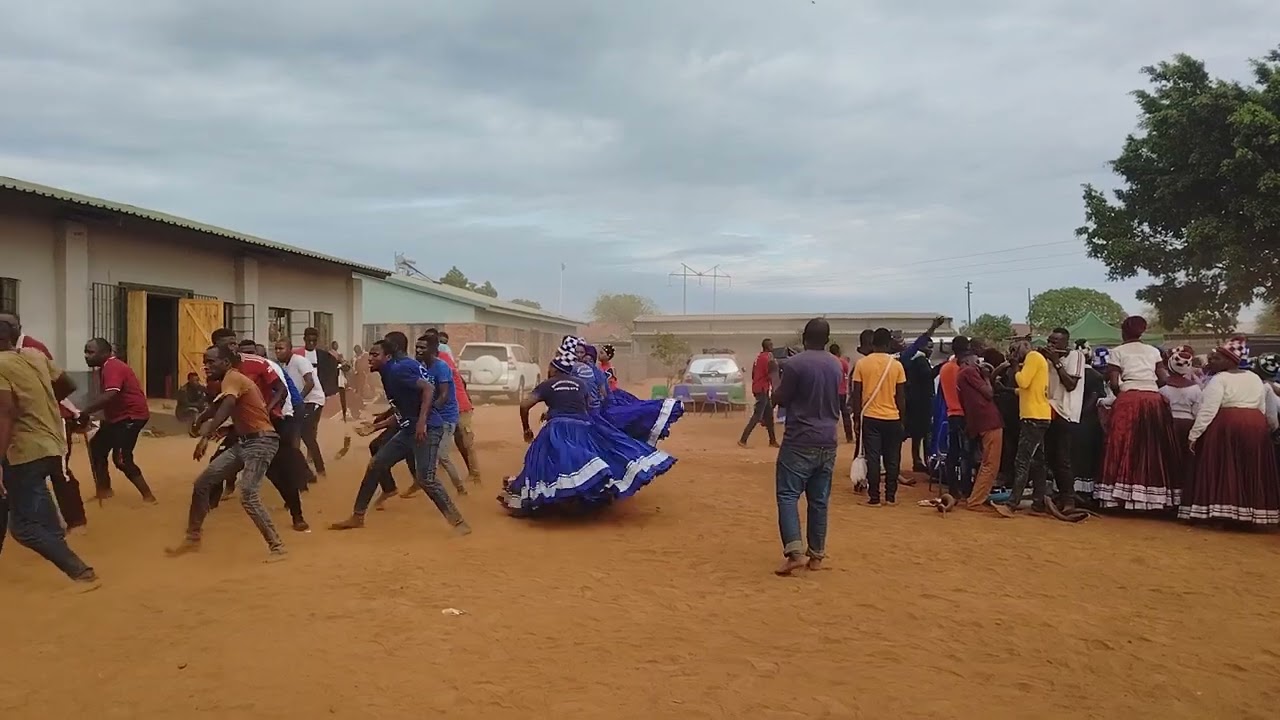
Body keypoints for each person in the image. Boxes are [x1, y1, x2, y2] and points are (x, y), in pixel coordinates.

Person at [500, 349, 676, 515]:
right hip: (583, 427)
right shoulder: (581, 384)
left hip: (557, 428)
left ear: (555, 370)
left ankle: (539, 496)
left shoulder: (546, 385)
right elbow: (590, 403)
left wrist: (527, 428)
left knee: (539, 460)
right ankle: (588, 494)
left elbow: (524, 405)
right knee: (590, 457)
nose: (548, 370)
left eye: (550, 367)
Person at [328, 338, 470, 534]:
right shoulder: (393, 372)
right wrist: (376, 426)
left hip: (428, 429)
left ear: (387, 356)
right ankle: (358, 516)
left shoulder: (397, 371)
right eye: (370, 354)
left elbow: (429, 389)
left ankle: (458, 522)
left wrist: (422, 422)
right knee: (376, 464)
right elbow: (404, 410)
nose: (370, 358)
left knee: (426, 479)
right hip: (409, 430)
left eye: (375, 355)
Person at [0, 316, 99, 585]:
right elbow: (68, 384)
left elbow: (5, 412)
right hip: (52, 444)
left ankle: (80, 572)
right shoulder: (34, 355)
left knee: (23, 528)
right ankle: (58, 544)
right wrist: (41, 402)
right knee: (34, 501)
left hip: (24, 450)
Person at [165, 345, 286, 560]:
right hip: (246, 442)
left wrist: (205, 435)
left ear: (226, 363)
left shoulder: (233, 377)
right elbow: (218, 407)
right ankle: (193, 538)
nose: (206, 366)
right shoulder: (227, 381)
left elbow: (228, 405)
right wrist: (202, 420)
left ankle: (277, 547)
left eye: (211, 362)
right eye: (205, 362)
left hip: (261, 442)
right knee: (202, 483)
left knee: (248, 494)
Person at [1180, 339, 1280, 526]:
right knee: (1249, 468)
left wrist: (1194, 435)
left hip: (1228, 426)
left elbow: (1208, 409)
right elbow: (1261, 407)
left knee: (1227, 467)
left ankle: (1224, 512)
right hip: (1255, 425)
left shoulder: (1220, 379)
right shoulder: (1254, 378)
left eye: (1217, 358)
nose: (1212, 361)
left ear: (1230, 361)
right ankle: (1249, 514)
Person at [770, 318, 842, 575]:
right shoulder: (836, 364)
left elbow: (780, 398)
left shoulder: (795, 364)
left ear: (804, 337)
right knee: (819, 500)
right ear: (827, 340)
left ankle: (795, 553)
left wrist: (774, 375)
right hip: (828, 439)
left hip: (799, 439)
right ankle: (816, 555)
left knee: (788, 495)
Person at [1096, 316, 1181, 510]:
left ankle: (1120, 497)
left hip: (1129, 398)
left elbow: (1114, 382)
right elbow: (1164, 379)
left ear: (1123, 331)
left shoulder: (1117, 352)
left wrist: (1123, 393)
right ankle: (1154, 498)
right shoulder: (1153, 351)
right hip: (1153, 399)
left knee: (1122, 444)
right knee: (1153, 446)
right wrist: (1148, 385)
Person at [81, 338, 156, 504]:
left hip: (131, 417)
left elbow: (110, 394)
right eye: (85, 352)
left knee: (121, 459)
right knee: (97, 447)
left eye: (91, 352)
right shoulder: (105, 368)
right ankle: (104, 490)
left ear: (105, 353)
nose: (86, 356)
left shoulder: (112, 366)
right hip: (117, 418)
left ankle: (149, 497)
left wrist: (85, 411)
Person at [995, 340, 1052, 516]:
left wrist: (1014, 367)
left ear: (1025, 347)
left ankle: (1012, 504)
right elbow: (1026, 390)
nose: (1014, 355)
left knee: (1022, 461)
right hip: (1041, 415)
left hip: (1032, 417)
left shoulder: (1032, 357)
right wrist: (1005, 390)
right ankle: (1038, 502)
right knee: (1038, 461)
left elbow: (1023, 382)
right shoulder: (1037, 359)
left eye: (1015, 351)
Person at [851, 328, 908, 506]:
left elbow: (856, 395)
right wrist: (902, 420)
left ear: (873, 343)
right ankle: (891, 497)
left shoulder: (862, 364)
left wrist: (856, 419)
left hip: (870, 417)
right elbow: (901, 397)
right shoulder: (897, 366)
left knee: (873, 458)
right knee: (893, 458)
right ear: (889, 343)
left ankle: (874, 497)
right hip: (892, 417)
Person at [595, 344, 684, 444]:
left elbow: (607, 385)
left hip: (613, 396)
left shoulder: (610, 369)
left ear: (608, 356)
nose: (599, 355)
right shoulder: (598, 368)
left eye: (602, 353)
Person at [1043, 328, 1085, 511]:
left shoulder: (1076, 356)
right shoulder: (1047, 359)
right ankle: (1060, 494)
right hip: (1049, 411)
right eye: (1049, 341)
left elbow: (1070, 384)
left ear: (1065, 343)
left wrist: (1056, 362)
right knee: (1051, 458)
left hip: (1066, 413)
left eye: (1055, 342)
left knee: (1062, 459)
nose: (1050, 345)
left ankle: (1069, 500)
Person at [956, 352, 1003, 510]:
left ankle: (976, 496)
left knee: (986, 462)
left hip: (979, 422)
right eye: (976, 362)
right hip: (989, 420)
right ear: (967, 362)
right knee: (991, 463)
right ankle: (976, 500)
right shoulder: (969, 372)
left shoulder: (960, 376)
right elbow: (989, 393)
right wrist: (987, 377)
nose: (979, 365)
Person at [1160, 345, 1202, 499]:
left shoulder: (1162, 388)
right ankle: (1186, 494)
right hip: (1188, 426)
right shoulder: (1195, 389)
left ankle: (1169, 494)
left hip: (1168, 426)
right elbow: (1198, 412)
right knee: (1186, 460)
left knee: (1168, 459)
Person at [1073, 347, 1108, 498]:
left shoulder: (1072, 373)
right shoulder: (1095, 376)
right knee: (1089, 458)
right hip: (1089, 422)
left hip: (1073, 418)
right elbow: (1095, 398)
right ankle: (1087, 492)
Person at [937, 336, 971, 496]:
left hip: (951, 413)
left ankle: (952, 488)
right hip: (965, 414)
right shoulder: (963, 370)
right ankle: (966, 488)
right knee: (966, 454)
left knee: (953, 452)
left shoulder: (945, 369)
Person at [739, 338, 779, 448]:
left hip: (759, 387)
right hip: (762, 389)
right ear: (767, 346)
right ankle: (743, 440)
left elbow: (753, 373)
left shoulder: (759, 357)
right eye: (771, 345)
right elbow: (770, 373)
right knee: (757, 416)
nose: (772, 346)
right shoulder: (768, 358)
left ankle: (772, 441)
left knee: (769, 416)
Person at [904, 340, 935, 472]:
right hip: (921, 403)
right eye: (929, 347)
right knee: (924, 433)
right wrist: (940, 367)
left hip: (916, 402)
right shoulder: (920, 360)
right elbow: (928, 375)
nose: (931, 350)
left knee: (918, 434)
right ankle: (924, 461)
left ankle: (918, 460)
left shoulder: (916, 360)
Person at [829, 344, 854, 444]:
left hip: (832, 392)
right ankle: (849, 436)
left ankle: (831, 436)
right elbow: (847, 373)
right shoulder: (843, 362)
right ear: (838, 351)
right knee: (845, 415)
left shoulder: (829, 362)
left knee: (831, 415)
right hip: (842, 392)